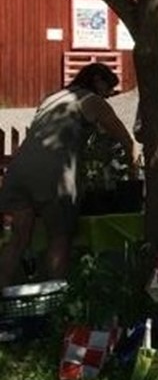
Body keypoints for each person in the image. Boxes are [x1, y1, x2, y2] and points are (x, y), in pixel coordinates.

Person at [0, 61, 136, 288]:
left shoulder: (52, 98)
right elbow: (122, 136)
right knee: (59, 236)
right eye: (108, 90)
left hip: (19, 171)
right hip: (53, 174)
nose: (108, 96)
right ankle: (55, 301)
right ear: (97, 81)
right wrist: (131, 163)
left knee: (18, 239)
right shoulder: (91, 100)